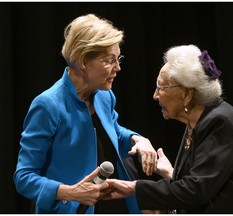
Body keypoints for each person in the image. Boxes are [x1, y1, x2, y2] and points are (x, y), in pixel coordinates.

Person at [13, 14, 157, 214]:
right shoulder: (48, 105)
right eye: (110, 61)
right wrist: (70, 192)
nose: (118, 68)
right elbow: (24, 177)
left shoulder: (105, 96)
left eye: (118, 59)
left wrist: (137, 140)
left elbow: (113, 131)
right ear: (83, 62)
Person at [105, 44, 233, 213]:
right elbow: (203, 182)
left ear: (187, 94)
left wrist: (134, 188)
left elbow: (195, 190)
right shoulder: (195, 122)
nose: (155, 95)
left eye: (161, 87)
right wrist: (171, 174)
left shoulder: (220, 122)